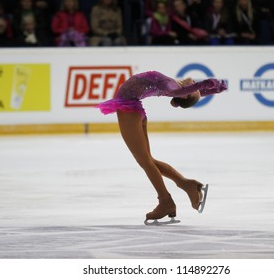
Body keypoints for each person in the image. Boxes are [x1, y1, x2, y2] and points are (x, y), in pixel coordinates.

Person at [95, 71, 227, 224]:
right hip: (134, 108)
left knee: (144, 161)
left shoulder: (174, 88)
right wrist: (212, 89)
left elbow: (182, 92)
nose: (194, 86)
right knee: (148, 160)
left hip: (129, 109)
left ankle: (165, 201)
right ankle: (187, 185)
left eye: (193, 90)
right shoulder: (175, 85)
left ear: (185, 95)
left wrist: (204, 84)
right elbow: (188, 92)